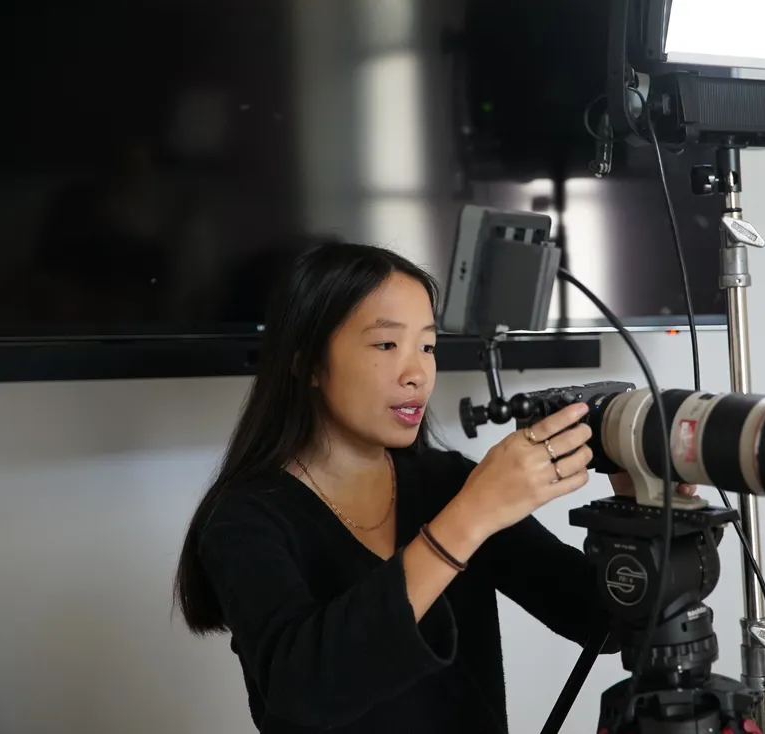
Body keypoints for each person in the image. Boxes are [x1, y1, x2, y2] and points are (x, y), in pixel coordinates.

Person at [172, 238, 695, 734]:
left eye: (427, 346)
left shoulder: (447, 482)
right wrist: (471, 516)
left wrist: (641, 507)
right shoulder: (245, 519)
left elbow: (600, 619)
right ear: (307, 363)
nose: (417, 373)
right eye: (386, 343)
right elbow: (306, 690)